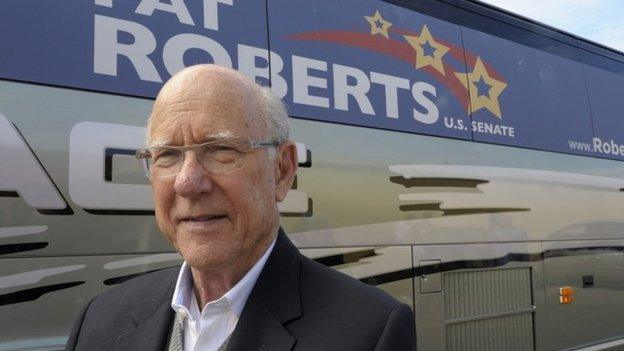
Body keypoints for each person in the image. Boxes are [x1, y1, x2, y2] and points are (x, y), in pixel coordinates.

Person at [65, 64, 416, 351]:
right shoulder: (98, 320)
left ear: (282, 170)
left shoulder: (371, 332)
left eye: (221, 150)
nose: (187, 182)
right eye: (168, 155)